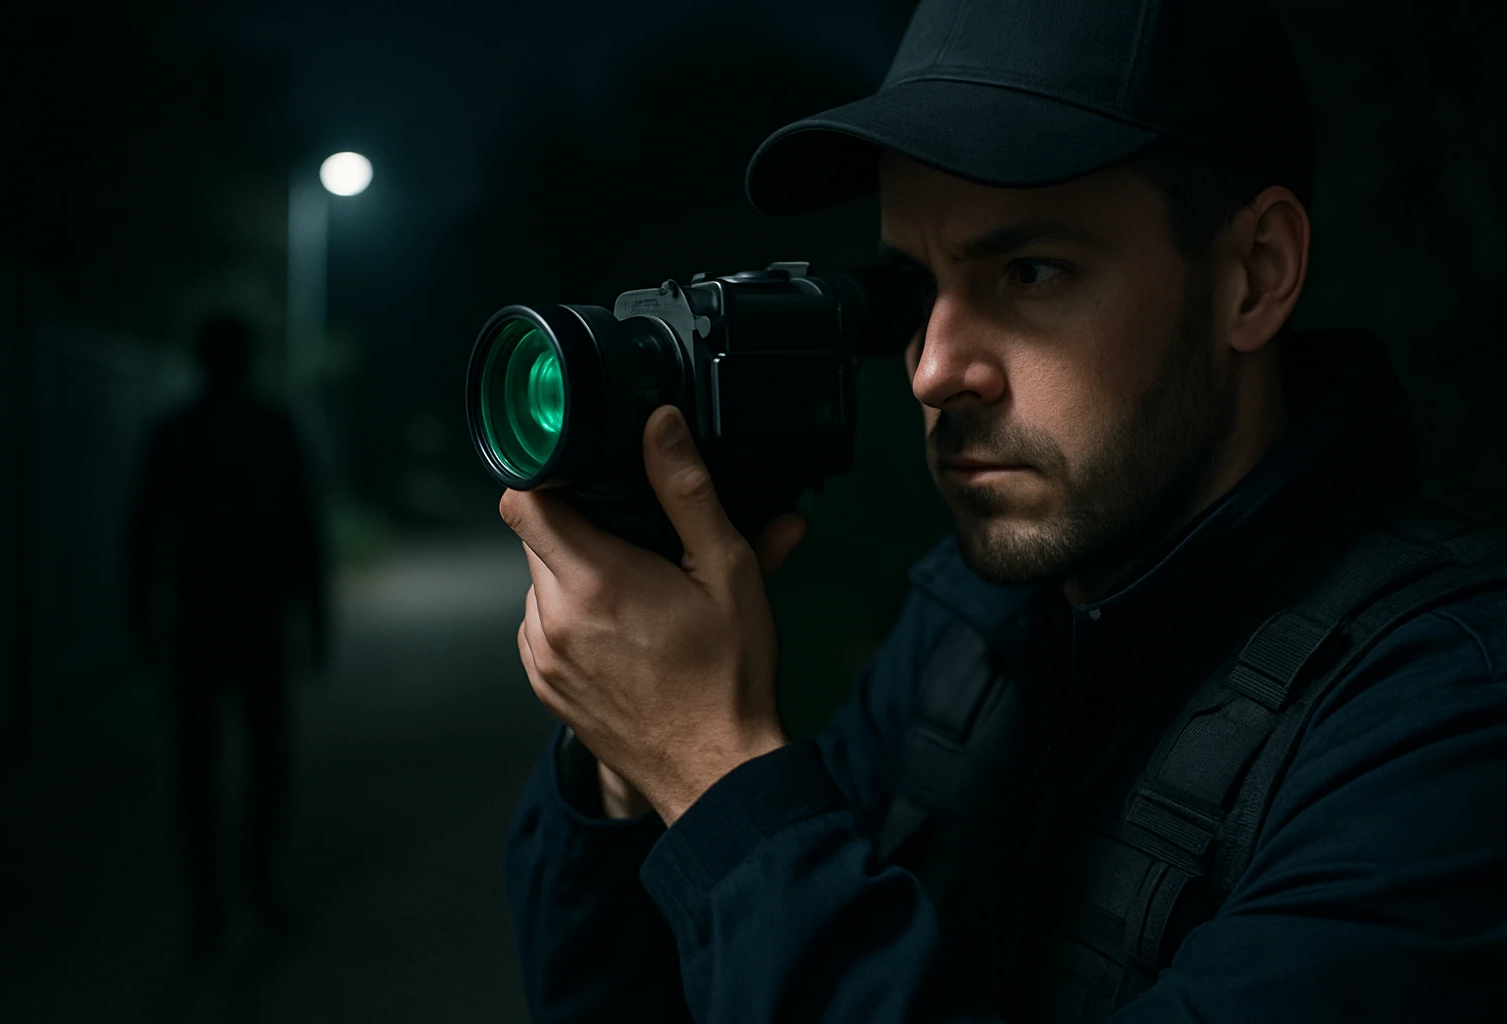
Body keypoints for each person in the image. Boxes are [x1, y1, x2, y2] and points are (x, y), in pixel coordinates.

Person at [498, 1, 1507, 1021]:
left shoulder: (1442, 721)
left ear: (1254, 276)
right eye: (912, 288)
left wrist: (716, 775)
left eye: (1031, 272)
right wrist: (629, 768)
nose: (935, 370)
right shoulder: (977, 627)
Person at [128, 314, 327, 955]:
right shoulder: (272, 429)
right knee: (263, 762)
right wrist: (314, 617)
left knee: (198, 769)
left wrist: (139, 617)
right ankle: (253, 887)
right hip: (256, 621)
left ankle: (211, 902)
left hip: (198, 623)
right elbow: (304, 529)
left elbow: (140, 534)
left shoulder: (174, 433)